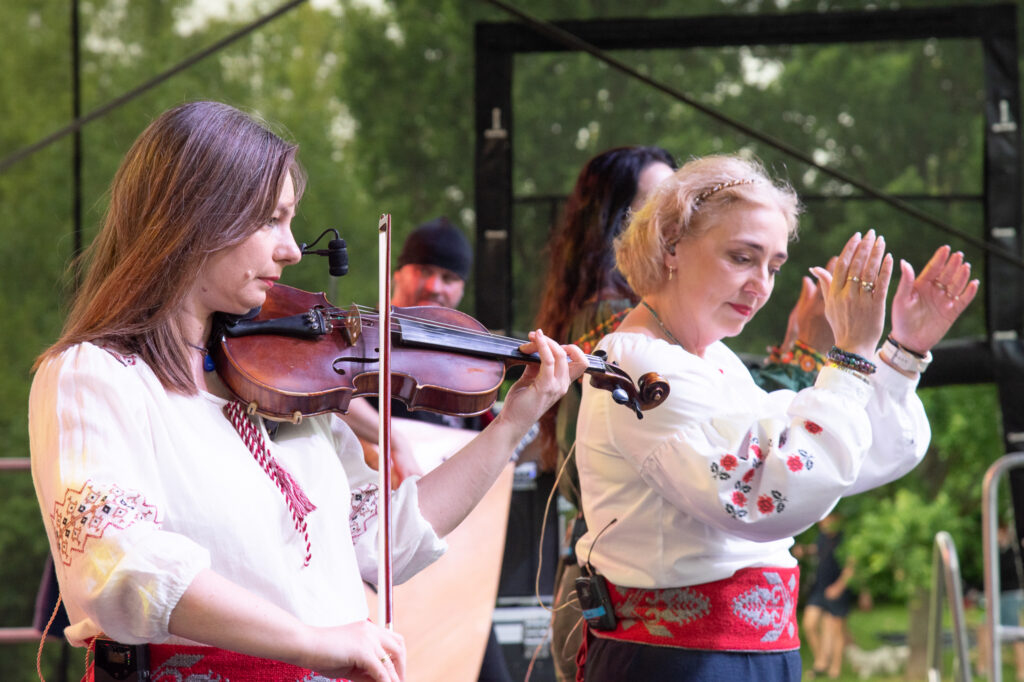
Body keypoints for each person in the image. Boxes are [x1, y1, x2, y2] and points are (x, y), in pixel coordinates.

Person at [27, 100, 587, 682]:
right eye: (271, 219)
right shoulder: (95, 376)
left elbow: (383, 539)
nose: (292, 250)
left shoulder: (280, 387)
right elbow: (119, 565)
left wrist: (515, 421)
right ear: (192, 219)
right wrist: (312, 643)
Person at [572, 153, 979, 680]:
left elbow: (843, 460)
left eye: (774, 265)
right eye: (742, 257)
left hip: (742, 658)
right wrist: (850, 356)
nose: (761, 284)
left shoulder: (713, 360)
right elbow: (766, 500)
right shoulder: (638, 362)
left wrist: (901, 353)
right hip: (680, 663)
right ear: (671, 243)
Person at [536, 146, 834, 682]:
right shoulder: (627, 335)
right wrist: (811, 360)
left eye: (773, 264)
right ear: (663, 234)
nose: (762, 282)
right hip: (662, 637)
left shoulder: (703, 347)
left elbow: (762, 439)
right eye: (660, 202)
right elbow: (749, 481)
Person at [340, 215, 512, 682]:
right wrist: (387, 436)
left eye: (451, 277)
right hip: (378, 555)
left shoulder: (466, 361)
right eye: (425, 271)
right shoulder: (360, 339)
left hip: (451, 555)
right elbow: (329, 402)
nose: (436, 286)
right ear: (398, 273)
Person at [801, 512, 856, 679]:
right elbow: (817, 550)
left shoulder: (845, 540)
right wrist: (805, 551)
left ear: (835, 520)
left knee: (837, 629)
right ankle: (821, 660)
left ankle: (835, 669)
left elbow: (851, 566)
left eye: (826, 520)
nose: (822, 524)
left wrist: (839, 587)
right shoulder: (821, 537)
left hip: (837, 590)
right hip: (819, 588)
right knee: (809, 624)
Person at [976, 521, 1024, 681]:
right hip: (998, 596)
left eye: (997, 532)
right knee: (984, 628)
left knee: (1014, 632)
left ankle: (1021, 669)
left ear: (1003, 532)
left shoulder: (1014, 552)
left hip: (1011, 595)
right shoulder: (996, 552)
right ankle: (983, 666)